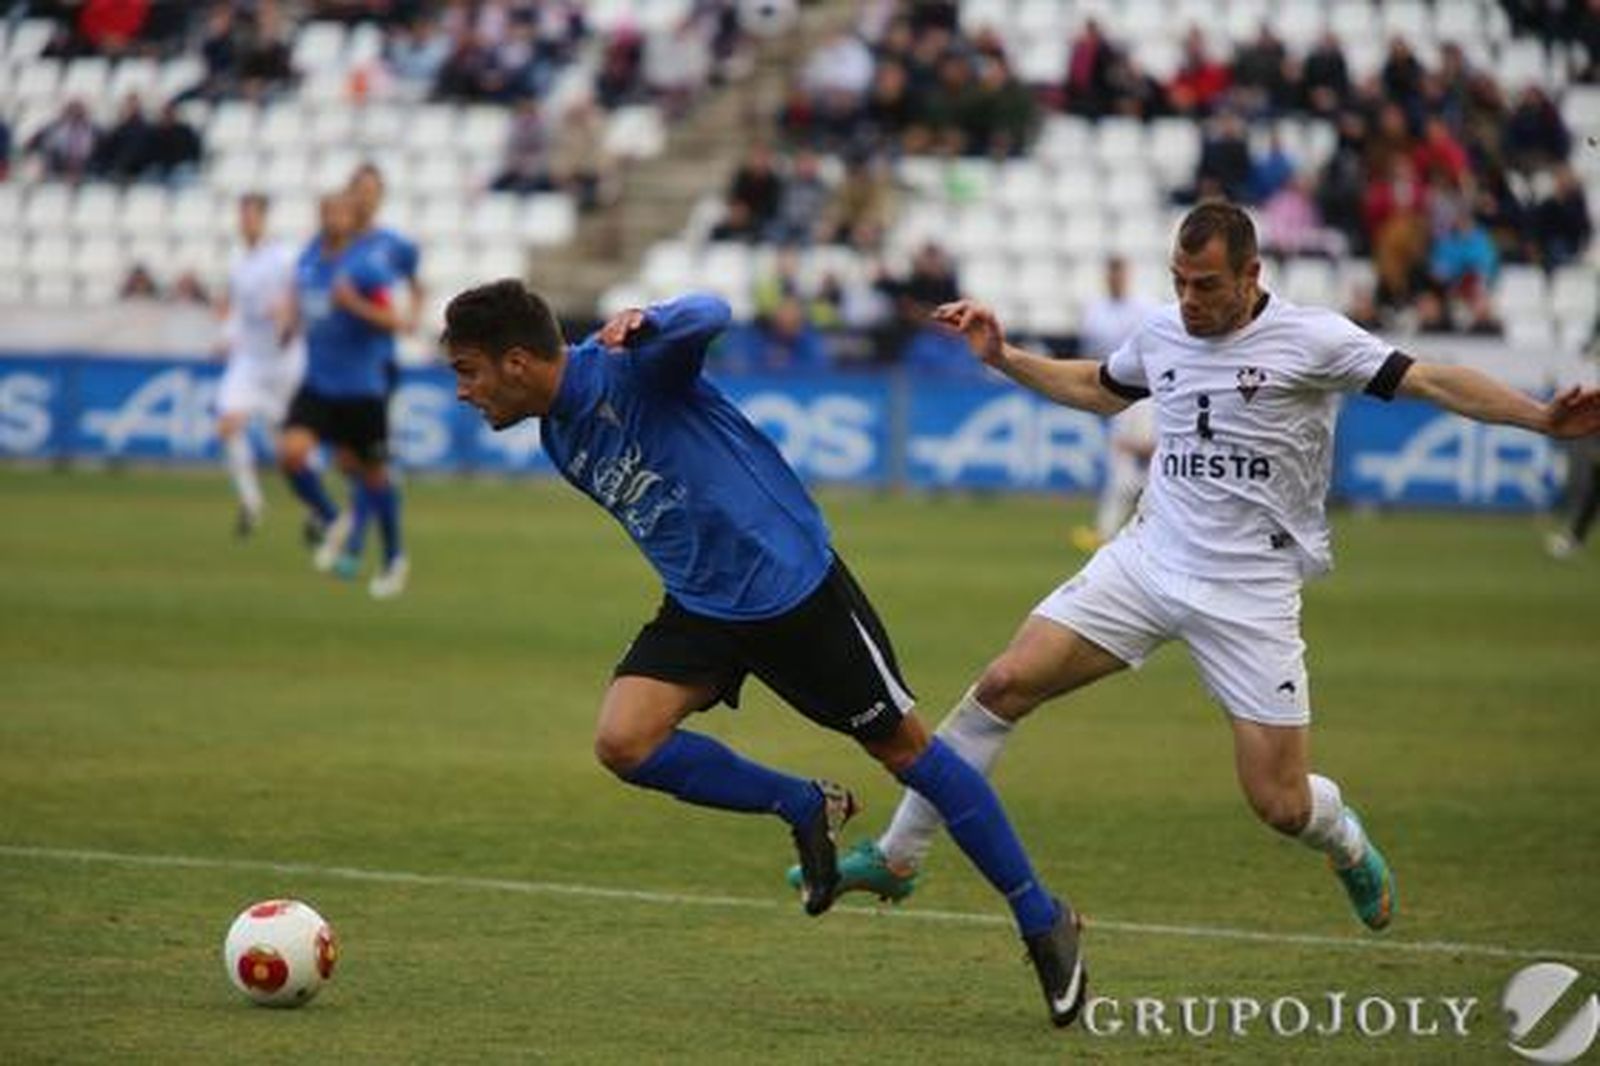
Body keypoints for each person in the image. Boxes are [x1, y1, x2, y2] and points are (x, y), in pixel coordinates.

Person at [793, 202, 1600, 936]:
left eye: (1207, 285)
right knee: (1002, 685)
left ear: (1252, 276)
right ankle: (899, 860)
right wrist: (1003, 356)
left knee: (1280, 804)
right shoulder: (1164, 332)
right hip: (1149, 560)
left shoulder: (1314, 338)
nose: (1190, 300)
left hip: (1250, 591)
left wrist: (1537, 416)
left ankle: (1343, 835)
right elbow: (1101, 389)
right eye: (1179, 282)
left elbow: (1429, 377)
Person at [439, 280, 1090, 1028]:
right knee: (624, 741)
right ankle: (802, 800)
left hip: (793, 590)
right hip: (702, 605)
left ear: (516, 361)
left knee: (910, 754)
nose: (462, 390)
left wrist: (654, 319)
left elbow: (712, 312)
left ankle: (1044, 920)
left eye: (467, 370)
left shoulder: (635, 367)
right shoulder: (558, 432)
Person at [278, 192, 410, 599]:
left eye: (340, 212)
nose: (332, 218)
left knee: (373, 477)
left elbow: (393, 320)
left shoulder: (367, 268)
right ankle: (333, 517)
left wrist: (353, 303)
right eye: (327, 211)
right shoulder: (309, 260)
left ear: (352, 220)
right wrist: (288, 319)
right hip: (317, 384)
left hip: (361, 390)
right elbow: (298, 298)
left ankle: (393, 558)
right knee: (290, 453)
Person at [325, 162, 424, 586]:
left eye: (373, 191)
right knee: (348, 461)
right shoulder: (333, 246)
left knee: (370, 464)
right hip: (335, 368)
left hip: (377, 366)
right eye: (359, 189)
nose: (366, 197)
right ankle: (363, 530)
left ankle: (374, 549)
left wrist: (410, 318)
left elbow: (416, 286)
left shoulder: (392, 246)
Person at [216, 193, 301, 536]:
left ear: (264, 219)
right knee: (227, 424)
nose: (246, 222)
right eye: (243, 216)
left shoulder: (282, 258)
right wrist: (225, 335)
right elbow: (238, 312)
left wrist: (287, 316)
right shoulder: (238, 264)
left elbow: (298, 296)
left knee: (288, 447)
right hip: (249, 361)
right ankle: (252, 502)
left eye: (252, 216)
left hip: (282, 362)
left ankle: (314, 507)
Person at [1072, 257, 1157, 552]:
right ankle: (1107, 531)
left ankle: (1122, 531)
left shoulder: (1144, 308)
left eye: (1119, 273)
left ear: (1127, 275)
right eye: (1111, 274)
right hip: (1110, 389)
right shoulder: (1094, 311)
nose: (1114, 279)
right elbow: (1090, 353)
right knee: (1121, 463)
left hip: (1144, 392)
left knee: (1138, 456)